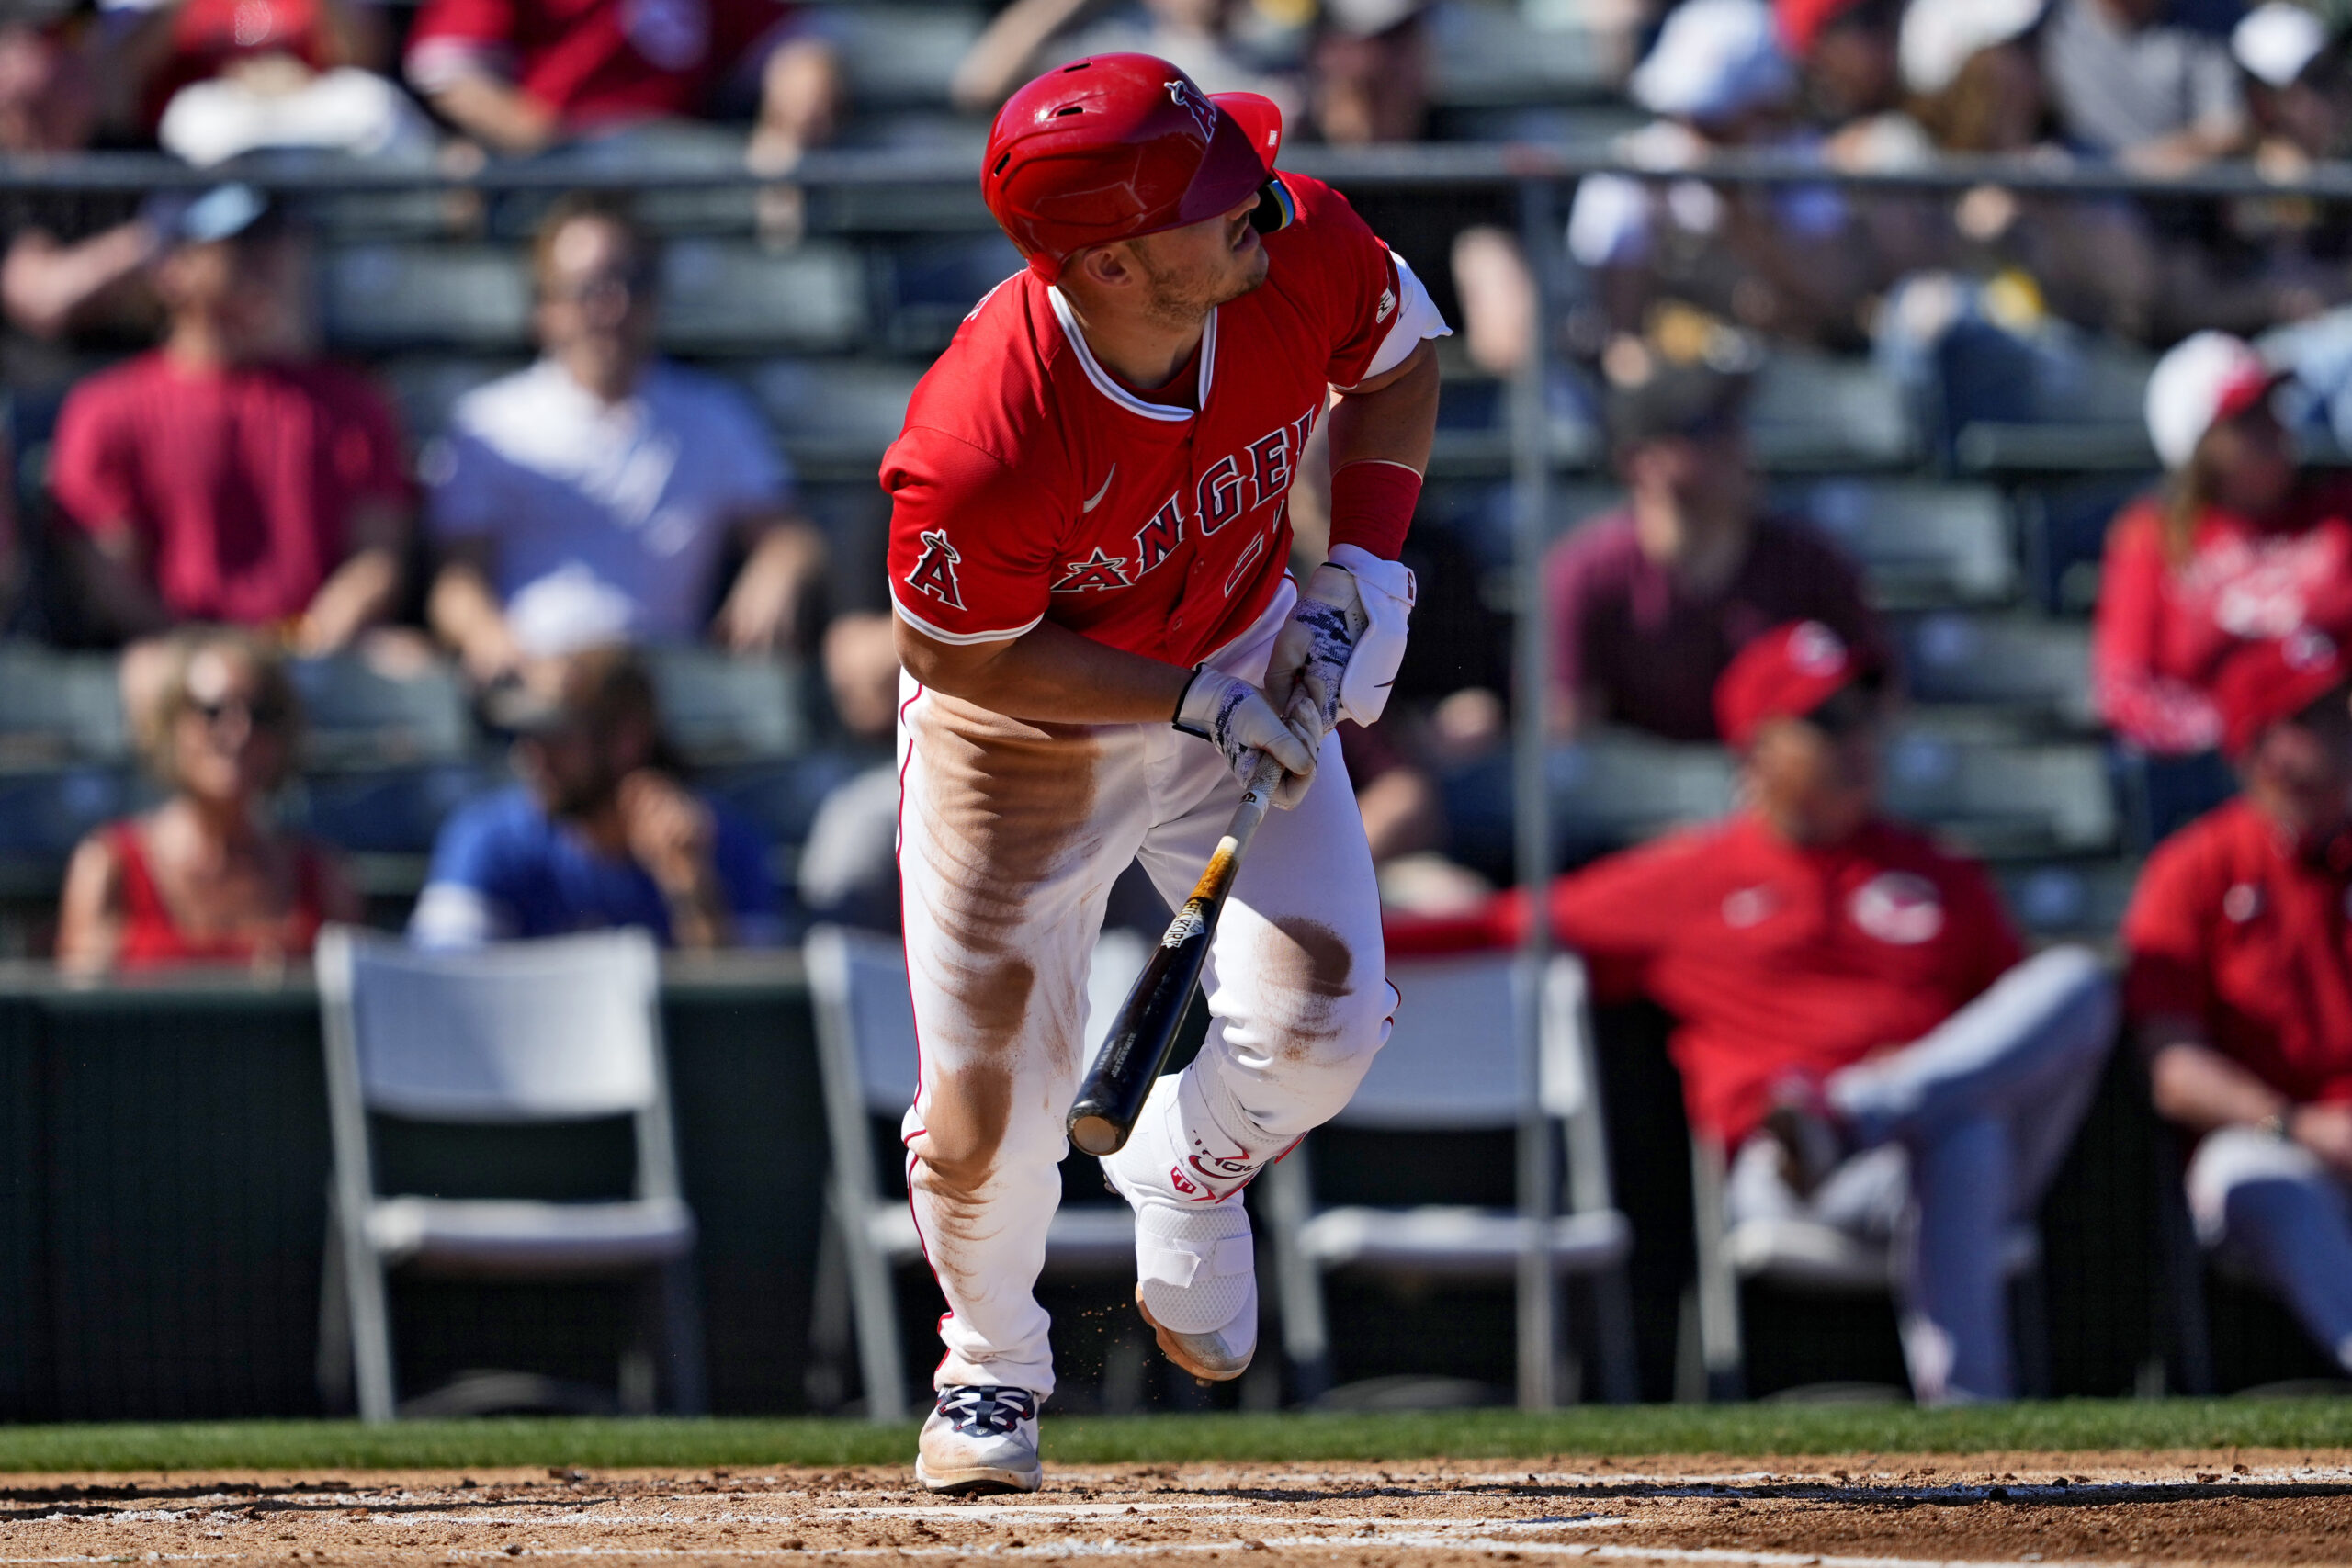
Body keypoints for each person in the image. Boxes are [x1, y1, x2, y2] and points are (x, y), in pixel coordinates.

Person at [883, 54, 1443, 1492]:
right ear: (1114, 257)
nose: (1254, 197)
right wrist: (1185, 698)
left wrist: (1363, 569)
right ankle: (992, 1366)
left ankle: (1181, 1166)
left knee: (1324, 1023)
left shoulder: (1292, 244)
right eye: (1210, 195)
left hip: (1244, 651)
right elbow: (966, 656)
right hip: (1024, 736)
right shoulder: (979, 436)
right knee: (986, 1115)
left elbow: (1396, 362)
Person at [1397, 622, 2118, 1403]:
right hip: (1790, 1164)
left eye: (1865, 716)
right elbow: (1504, 923)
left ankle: (1854, 1110)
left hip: (1907, 1138)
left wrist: (1887, 1091)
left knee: (2075, 984)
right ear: (1758, 748)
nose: (1858, 740)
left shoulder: (1941, 870)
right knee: (1965, 1132)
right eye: (1827, 721)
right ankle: (1971, 1409)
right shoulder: (1694, 874)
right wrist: (1333, 926)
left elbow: (2014, 1031)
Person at [424, 194, 825, 686]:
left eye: (631, 282)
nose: (611, 307)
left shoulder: (714, 414)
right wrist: (485, 634)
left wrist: (776, 568)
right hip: (535, 682)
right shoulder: (489, 424)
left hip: (666, 688)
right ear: (545, 308)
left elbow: (788, 535)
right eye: (587, 288)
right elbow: (457, 581)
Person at [48, 185, 413, 652]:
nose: (270, 261)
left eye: (275, 241)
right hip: (178, 663)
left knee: (412, 669)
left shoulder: (353, 401)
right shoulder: (107, 408)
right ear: (171, 268)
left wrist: (305, 643)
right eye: (240, 247)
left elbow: (376, 559)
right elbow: (112, 582)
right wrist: (207, 657)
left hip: (322, 652)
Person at [2125, 631, 2352, 1376]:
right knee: (2248, 1173)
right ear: (2258, 746)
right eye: (2313, 719)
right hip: (2278, 1141)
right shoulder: (2195, 867)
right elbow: (2174, 1069)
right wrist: (2302, 1126)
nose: (2339, 733)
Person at [1546, 345, 1890, 741]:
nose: (1735, 444)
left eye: (1735, 424)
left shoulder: (1811, 561)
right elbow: (1566, 733)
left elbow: (1878, 708)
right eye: (1706, 428)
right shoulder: (1585, 575)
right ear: (1639, 462)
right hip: (1648, 802)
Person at [409, 645, 780, 950]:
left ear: (627, 740)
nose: (531, 756)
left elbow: (745, 1025)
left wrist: (696, 897)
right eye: (525, 734)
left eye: (555, 733)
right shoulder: (487, 839)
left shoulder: (722, 845)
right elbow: (441, 994)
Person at [2093, 331, 2352, 759]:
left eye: (2271, 405)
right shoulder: (2152, 537)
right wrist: (2245, 732)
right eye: (2247, 418)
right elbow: (2124, 691)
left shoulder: (2340, 509)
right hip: (2221, 780)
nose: (2274, 426)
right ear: (2200, 449)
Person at [57, 626, 359, 973]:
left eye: (260, 714)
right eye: (212, 711)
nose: (239, 731)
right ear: (172, 725)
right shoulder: (111, 867)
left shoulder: (323, 879)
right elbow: (82, 1013)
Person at [401, 0, 840, 164]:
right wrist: (536, 136)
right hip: (560, 161)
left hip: (678, 162)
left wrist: (801, 85)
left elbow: (790, 44)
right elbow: (449, 72)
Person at [2040, 0, 2247, 173]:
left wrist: (2128, 170)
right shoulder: (2048, 16)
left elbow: (2224, 129)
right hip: (2074, 197)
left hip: (2181, 201)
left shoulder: (2209, 15)